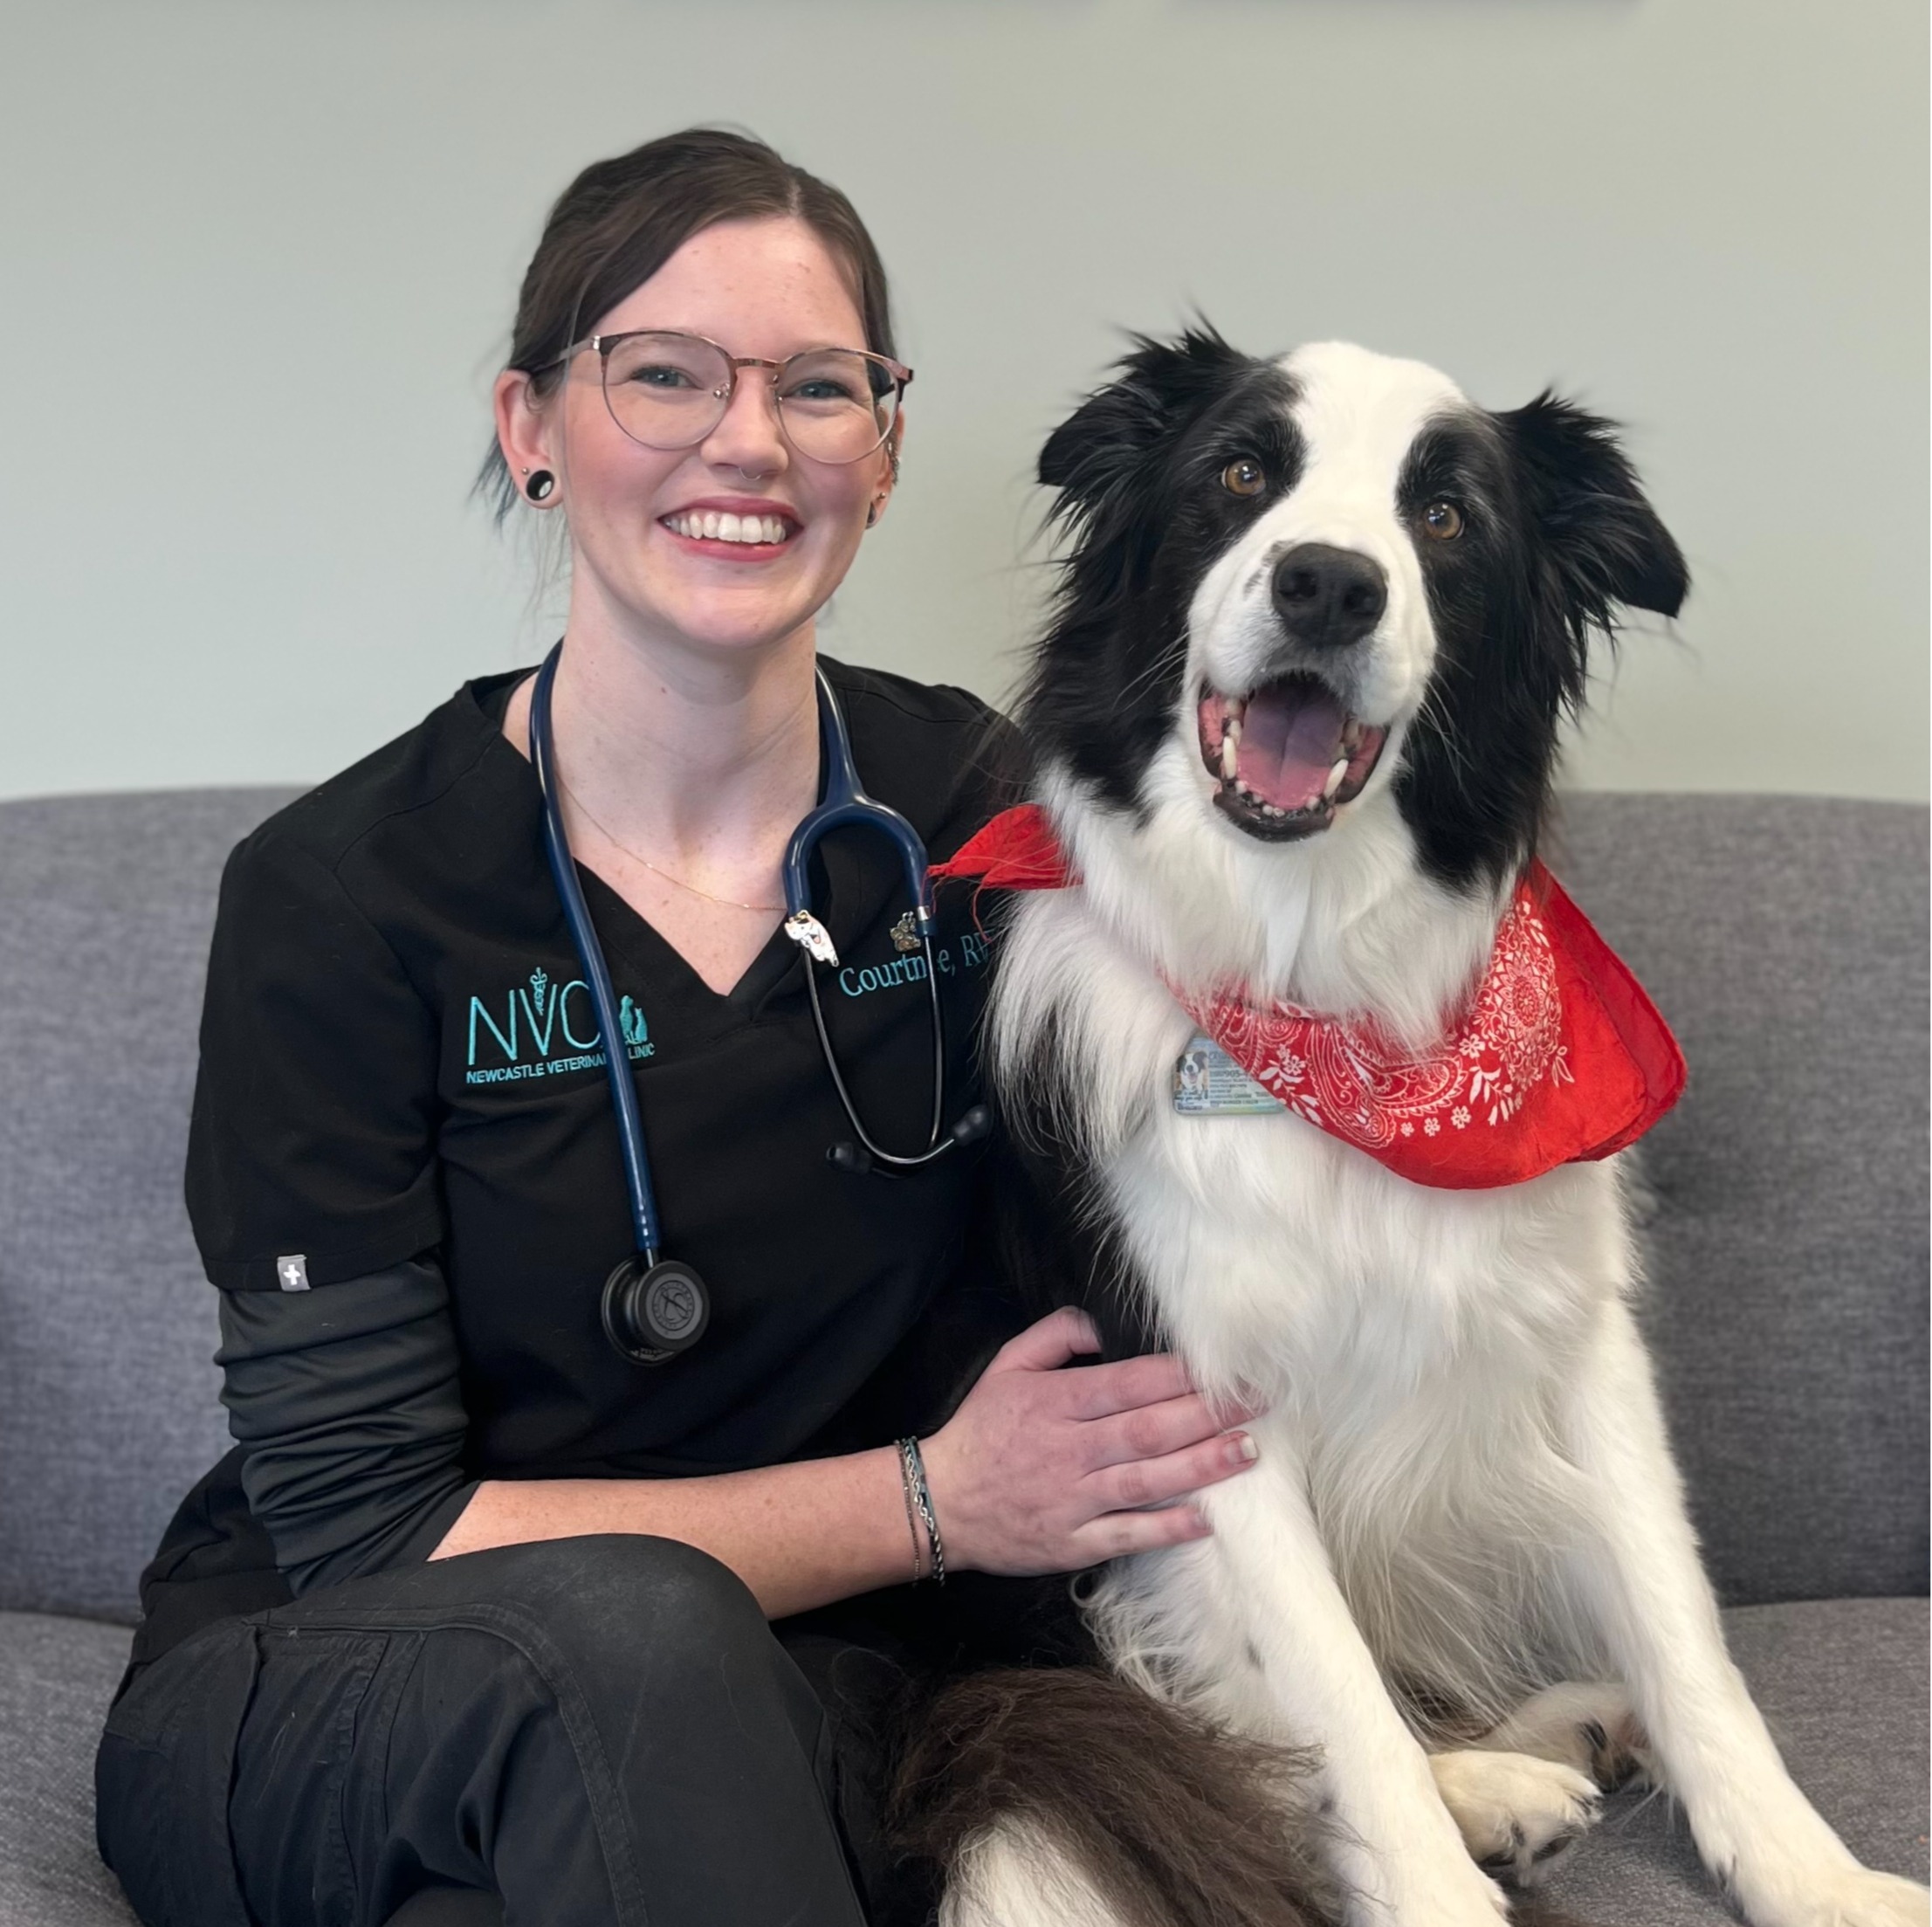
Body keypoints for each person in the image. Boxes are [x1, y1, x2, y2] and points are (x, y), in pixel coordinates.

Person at [93, 127, 1262, 1927]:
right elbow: (366, 1533)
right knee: (644, 1648)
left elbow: (1264, 1051)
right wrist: (935, 1504)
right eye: (663, 372)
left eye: (819, 385)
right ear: (532, 429)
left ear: (882, 453)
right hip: (352, 1680)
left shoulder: (980, 811)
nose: (747, 438)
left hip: (794, 1693)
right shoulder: (342, 897)